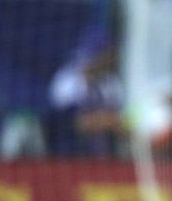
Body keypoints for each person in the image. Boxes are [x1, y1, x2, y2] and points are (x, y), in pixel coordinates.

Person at [48, 29, 125, 157]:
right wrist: (103, 121)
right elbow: (66, 122)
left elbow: (119, 120)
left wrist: (110, 121)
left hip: (107, 155)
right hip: (69, 154)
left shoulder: (112, 83)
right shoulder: (66, 81)